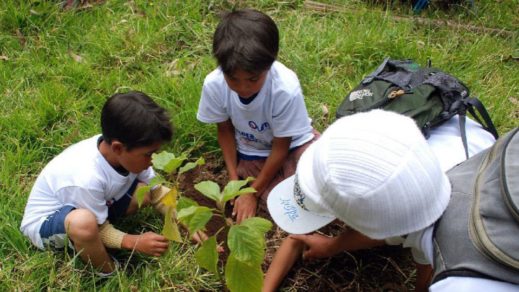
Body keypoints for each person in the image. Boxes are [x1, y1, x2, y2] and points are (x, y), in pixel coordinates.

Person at [264, 110, 499, 291]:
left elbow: (419, 256)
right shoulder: (378, 145)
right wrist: (333, 245)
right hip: (460, 135)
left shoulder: (450, 257)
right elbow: (390, 227)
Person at [20, 91, 178, 277]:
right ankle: (109, 273)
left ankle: (99, 218)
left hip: (89, 204)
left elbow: (157, 191)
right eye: (148, 154)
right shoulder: (85, 178)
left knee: (143, 190)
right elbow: (98, 229)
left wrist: (186, 220)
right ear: (118, 148)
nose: (154, 159)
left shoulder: (123, 150)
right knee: (84, 224)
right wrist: (133, 241)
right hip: (48, 225)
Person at [197, 9, 317, 223]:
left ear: (269, 66)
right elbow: (224, 131)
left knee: (315, 184)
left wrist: (252, 192)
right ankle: (270, 182)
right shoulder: (214, 85)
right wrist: (234, 182)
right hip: (253, 152)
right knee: (278, 204)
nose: (243, 87)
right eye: (233, 79)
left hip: (293, 144)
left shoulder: (284, 89)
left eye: (253, 79)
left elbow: (282, 146)